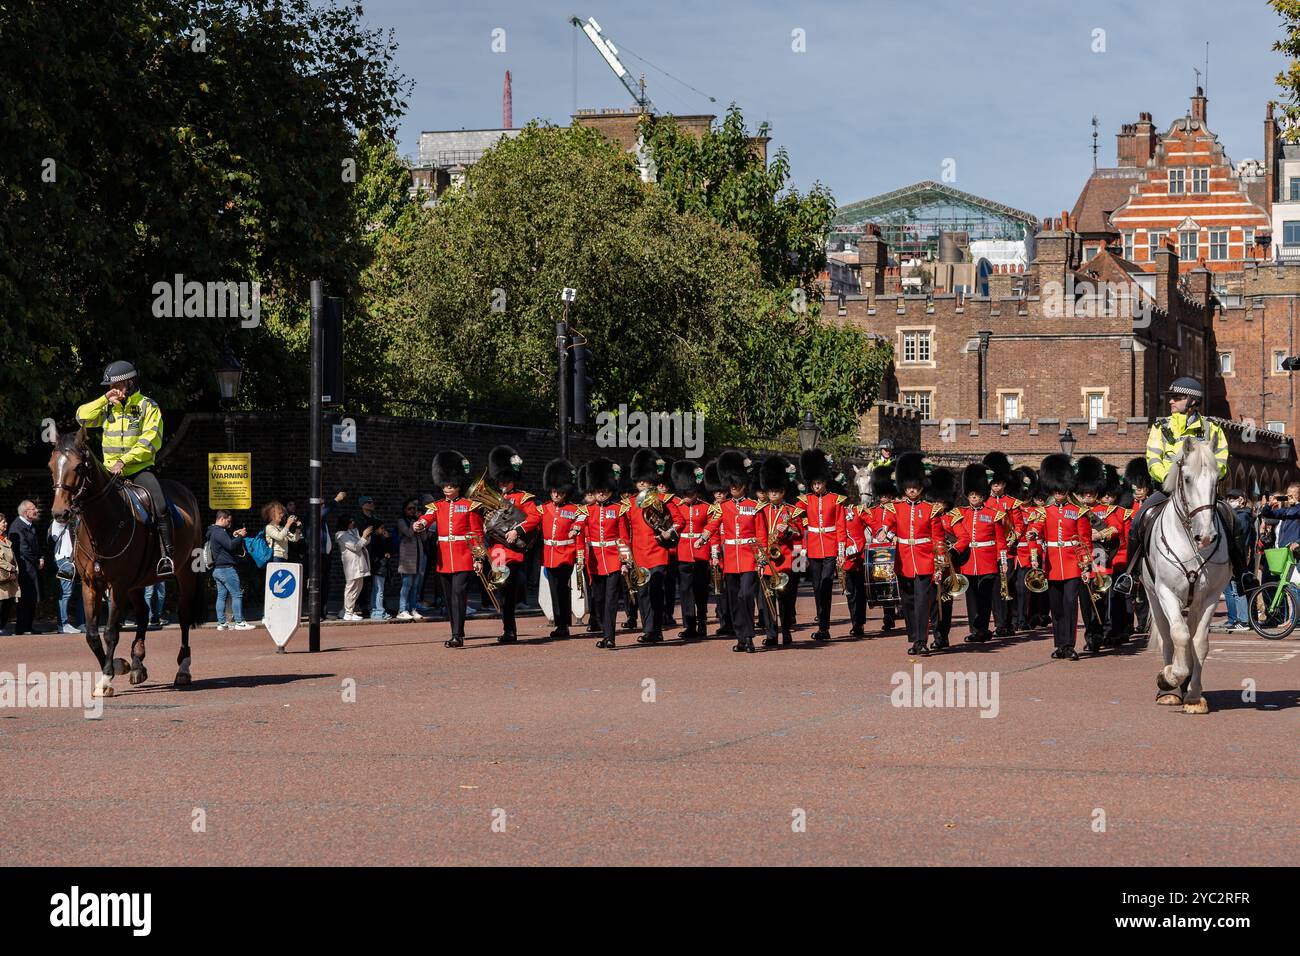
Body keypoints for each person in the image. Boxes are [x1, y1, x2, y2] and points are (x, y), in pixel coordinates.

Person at [1115, 377, 1254, 596]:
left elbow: (1222, 460)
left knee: (1232, 519)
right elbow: (1153, 459)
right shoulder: (1160, 427)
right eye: (1172, 398)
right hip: (1167, 489)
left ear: (1191, 401)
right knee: (1140, 519)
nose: (1171, 402)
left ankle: (1242, 572)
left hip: (1202, 492)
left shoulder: (1212, 428)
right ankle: (1131, 576)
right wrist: (1170, 481)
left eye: (1177, 398)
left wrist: (1210, 475)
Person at [75, 360, 174, 576]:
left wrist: (125, 461)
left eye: (116, 386)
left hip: (138, 471)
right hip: (108, 473)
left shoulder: (149, 406)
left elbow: (151, 441)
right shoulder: (108, 406)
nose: (113, 390)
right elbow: (81, 417)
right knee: (80, 500)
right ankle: (75, 561)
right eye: (109, 387)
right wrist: (104, 399)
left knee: (160, 505)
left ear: (129, 383)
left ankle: (166, 556)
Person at [878, 453, 949, 656]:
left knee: (921, 601)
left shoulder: (931, 509)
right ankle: (914, 636)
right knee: (907, 601)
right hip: (903, 560)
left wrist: (939, 561)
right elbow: (888, 524)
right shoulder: (896, 508)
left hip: (925, 560)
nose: (912, 490)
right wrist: (884, 531)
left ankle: (921, 640)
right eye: (909, 487)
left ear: (921, 487)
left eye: (915, 487)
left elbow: (937, 539)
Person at [413, 451, 485, 648]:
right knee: (448, 597)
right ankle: (455, 631)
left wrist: (479, 559)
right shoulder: (437, 506)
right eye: (445, 485)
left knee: (458, 594)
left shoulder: (470, 506)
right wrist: (419, 524)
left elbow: (477, 534)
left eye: (450, 485)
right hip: (444, 558)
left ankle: (458, 634)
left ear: (458, 485)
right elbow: (426, 519)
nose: (447, 489)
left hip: (463, 556)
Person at [1032, 454, 1094, 661]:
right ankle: (1059, 644)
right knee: (1056, 607)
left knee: (1070, 603)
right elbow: (1037, 527)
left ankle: (1069, 644)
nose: (1058, 494)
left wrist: (1086, 565)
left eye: (1061, 490)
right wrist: (1033, 533)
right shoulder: (1045, 511)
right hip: (1051, 564)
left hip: (1072, 564)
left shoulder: (1077, 512)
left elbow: (1085, 540)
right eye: (1056, 491)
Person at [484, 445, 541, 644]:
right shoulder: (492, 498)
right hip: (497, 551)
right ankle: (508, 628)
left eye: (506, 481)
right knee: (502, 593)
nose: (502, 484)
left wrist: (518, 530)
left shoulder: (523, 497)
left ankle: (510, 630)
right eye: (500, 480)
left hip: (513, 551)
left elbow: (534, 517)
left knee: (509, 592)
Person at [624, 450, 680, 644]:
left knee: (655, 590)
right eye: (639, 480)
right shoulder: (629, 503)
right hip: (638, 554)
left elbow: (678, 521)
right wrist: (626, 554)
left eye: (645, 480)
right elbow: (624, 530)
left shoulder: (663, 500)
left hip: (657, 552)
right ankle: (649, 629)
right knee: (643, 593)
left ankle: (655, 629)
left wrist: (668, 532)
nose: (642, 483)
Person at [950, 462, 1009, 645]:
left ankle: (983, 628)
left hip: (988, 561)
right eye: (971, 495)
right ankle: (975, 630)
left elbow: (1001, 540)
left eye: (976, 495)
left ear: (982, 496)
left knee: (984, 598)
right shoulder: (961, 513)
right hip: (969, 561)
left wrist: (1003, 560)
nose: (973, 498)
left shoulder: (993, 514)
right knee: (972, 598)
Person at [712, 451, 763, 653]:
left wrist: (761, 558)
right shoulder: (723, 507)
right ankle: (741, 638)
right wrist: (704, 537)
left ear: (744, 484)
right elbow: (713, 524)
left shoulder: (754, 506)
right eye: (731, 485)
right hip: (731, 558)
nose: (733, 488)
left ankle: (749, 637)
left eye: (737, 484)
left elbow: (760, 534)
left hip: (749, 557)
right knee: (734, 599)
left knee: (746, 595)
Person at [798, 449, 846, 642]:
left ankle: (824, 624)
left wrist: (841, 551)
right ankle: (822, 627)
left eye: (820, 483)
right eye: (814, 483)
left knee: (826, 583)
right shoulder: (805, 500)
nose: (817, 486)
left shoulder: (835, 500)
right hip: (814, 547)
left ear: (825, 482)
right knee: (817, 586)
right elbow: (794, 517)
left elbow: (841, 526)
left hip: (831, 546)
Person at [582, 459, 630, 649]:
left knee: (611, 599)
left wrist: (625, 562)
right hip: (594, 560)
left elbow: (623, 538)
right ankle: (604, 632)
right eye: (598, 489)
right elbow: (579, 528)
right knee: (599, 599)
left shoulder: (618, 510)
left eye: (604, 489)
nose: (601, 492)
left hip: (613, 559)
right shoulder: (586, 510)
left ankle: (610, 637)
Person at [756, 456, 804, 647]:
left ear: (783, 492)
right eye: (771, 492)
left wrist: (788, 531)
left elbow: (799, 533)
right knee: (768, 601)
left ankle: (786, 631)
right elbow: (759, 535)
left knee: (785, 601)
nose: (773, 494)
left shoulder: (792, 511)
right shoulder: (762, 511)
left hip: (784, 561)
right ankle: (771, 634)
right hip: (768, 561)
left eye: (776, 492)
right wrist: (760, 559)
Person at [538, 459, 585, 639]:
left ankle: (563, 624)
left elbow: (581, 519)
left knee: (561, 589)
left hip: (566, 555)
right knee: (554, 590)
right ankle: (561, 624)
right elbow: (529, 521)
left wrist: (576, 528)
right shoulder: (544, 508)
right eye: (554, 491)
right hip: (549, 555)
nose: (556, 495)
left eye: (560, 492)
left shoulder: (575, 509)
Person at [983, 452, 1026, 637]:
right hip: (990, 551)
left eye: (999, 484)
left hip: (1007, 551)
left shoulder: (1012, 503)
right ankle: (1001, 623)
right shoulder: (985, 502)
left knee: (1007, 585)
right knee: (995, 589)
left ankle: (1011, 620)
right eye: (994, 484)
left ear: (1004, 485)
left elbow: (1019, 525)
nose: (996, 487)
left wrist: (1012, 538)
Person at [670, 461, 712, 641]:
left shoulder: (705, 507)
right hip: (683, 553)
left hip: (701, 553)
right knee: (686, 591)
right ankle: (689, 625)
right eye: (685, 493)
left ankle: (702, 621)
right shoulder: (676, 506)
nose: (688, 496)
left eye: (691, 492)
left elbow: (712, 527)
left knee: (701, 590)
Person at [863, 467, 899, 634]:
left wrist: (890, 535)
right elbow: (866, 520)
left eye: (887, 496)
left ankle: (896, 610)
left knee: (894, 581)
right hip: (879, 551)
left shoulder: (897, 509)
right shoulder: (875, 510)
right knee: (883, 581)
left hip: (894, 548)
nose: (884, 498)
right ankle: (888, 615)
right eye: (882, 496)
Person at [206, 510, 253, 630]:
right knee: (237, 594)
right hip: (227, 569)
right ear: (222, 519)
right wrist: (241, 536)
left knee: (221, 596)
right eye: (228, 521)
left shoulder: (212, 531)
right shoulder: (220, 532)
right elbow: (231, 546)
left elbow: (225, 545)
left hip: (217, 569)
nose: (230, 523)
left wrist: (234, 535)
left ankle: (221, 623)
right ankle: (239, 622)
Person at [1219, 489, 1255, 632]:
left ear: (1241, 500)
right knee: (1236, 588)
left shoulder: (1243, 516)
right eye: (1228, 498)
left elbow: (1242, 540)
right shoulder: (1239, 515)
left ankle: (1244, 621)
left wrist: (1238, 558)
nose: (1229, 501)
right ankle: (1240, 619)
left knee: (1238, 589)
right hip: (1237, 556)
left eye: (1233, 498)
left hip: (1239, 557)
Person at [703, 460, 731, 636]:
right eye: (716, 491)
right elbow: (710, 532)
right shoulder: (710, 509)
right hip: (717, 553)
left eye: (722, 491)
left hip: (731, 550)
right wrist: (714, 551)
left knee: (732, 589)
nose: (719, 494)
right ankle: (724, 621)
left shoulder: (730, 507)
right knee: (718, 588)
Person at [357, 496, 393, 621]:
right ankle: (367, 606)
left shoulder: (375, 520)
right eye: (369, 502)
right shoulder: (359, 520)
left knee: (376, 585)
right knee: (366, 583)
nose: (372, 504)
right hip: (365, 554)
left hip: (376, 556)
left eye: (372, 502)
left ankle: (377, 607)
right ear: (362, 505)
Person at [9, 500, 42, 634]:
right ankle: (22, 627)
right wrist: (37, 560)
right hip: (25, 569)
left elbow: (35, 546)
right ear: (25, 512)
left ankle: (28, 626)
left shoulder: (29, 525)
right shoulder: (18, 526)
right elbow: (24, 549)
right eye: (33, 508)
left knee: (32, 598)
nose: (36, 511)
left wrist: (41, 557)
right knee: (25, 599)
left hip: (32, 567)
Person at [394, 498, 428, 621]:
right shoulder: (401, 521)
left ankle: (413, 609)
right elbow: (409, 533)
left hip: (418, 556)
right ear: (404, 510)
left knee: (415, 586)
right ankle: (402, 609)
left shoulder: (416, 520)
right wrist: (414, 525)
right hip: (407, 558)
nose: (413, 511)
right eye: (410, 508)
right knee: (406, 585)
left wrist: (422, 524)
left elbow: (424, 538)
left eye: (414, 508)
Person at [334, 513, 372, 622]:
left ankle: (346, 610)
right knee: (351, 588)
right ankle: (348, 612)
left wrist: (367, 536)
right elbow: (356, 547)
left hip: (359, 564)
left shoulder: (352, 532)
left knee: (358, 588)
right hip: (351, 565)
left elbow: (363, 544)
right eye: (351, 521)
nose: (353, 523)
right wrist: (364, 536)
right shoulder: (340, 535)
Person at [49, 515, 82, 633]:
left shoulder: (73, 522)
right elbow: (60, 518)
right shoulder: (58, 523)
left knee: (77, 592)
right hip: (65, 561)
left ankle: (81, 622)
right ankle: (63, 624)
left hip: (74, 560)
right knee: (66, 593)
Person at [0, 514, 20, 635]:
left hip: (9, 576)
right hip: (2, 576)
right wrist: (11, 568)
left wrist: (14, 570)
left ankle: (2, 626)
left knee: (7, 602)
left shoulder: (5, 538)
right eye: (3, 522)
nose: (6, 524)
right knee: (1, 603)